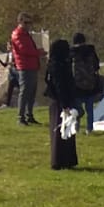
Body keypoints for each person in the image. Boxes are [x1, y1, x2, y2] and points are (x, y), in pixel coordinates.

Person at [41, 38, 78, 170]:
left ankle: (66, 160)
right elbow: (60, 85)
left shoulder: (55, 63)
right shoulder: (59, 66)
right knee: (61, 130)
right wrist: (65, 104)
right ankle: (59, 160)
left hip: (58, 100)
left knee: (67, 129)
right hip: (61, 100)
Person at [10, 14, 41, 126]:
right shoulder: (17, 34)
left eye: (30, 23)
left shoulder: (26, 34)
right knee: (24, 92)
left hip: (32, 65)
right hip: (24, 66)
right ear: (21, 22)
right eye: (27, 23)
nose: (29, 25)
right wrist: (39, 52)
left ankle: (29, 115)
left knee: (31, 92)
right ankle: (20, 117)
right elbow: (24, 50)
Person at [69, 33, 102, 134]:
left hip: (77, 85)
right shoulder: (91, 51)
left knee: (77, 108)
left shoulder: (72, 53)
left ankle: (76, 127)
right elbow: (96, 66)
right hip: (90, 84)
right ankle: (89, 128)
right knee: (90, 109)